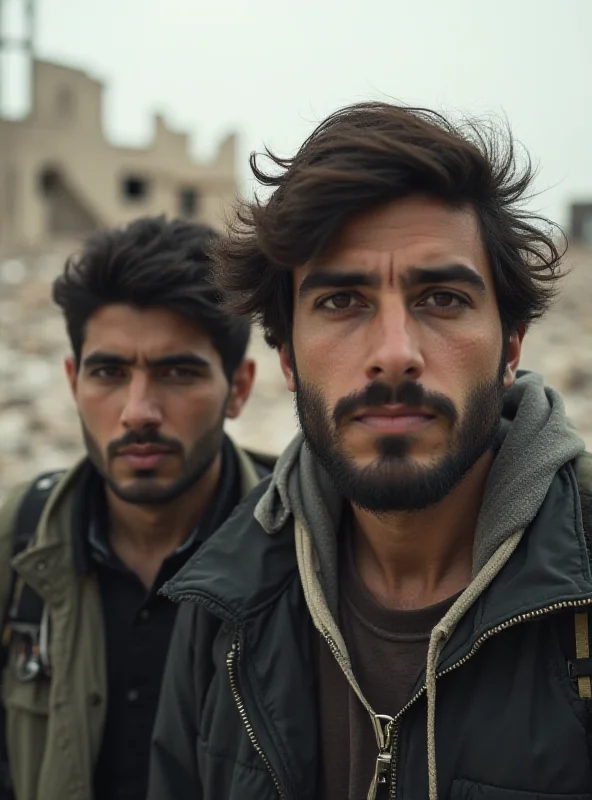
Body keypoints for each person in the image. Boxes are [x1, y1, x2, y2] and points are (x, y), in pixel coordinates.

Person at [148, 104, 592, 800]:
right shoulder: (224, 602)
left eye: (442, 298)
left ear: (511, 348)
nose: (394, 355)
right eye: (342, 301)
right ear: (288, 358)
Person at [0, 216, 274, 800]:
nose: (138, 411)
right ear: (73, 381)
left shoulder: (302, 546)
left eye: (178, 372)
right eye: (110, 372)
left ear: (240, 388)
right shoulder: (19, 540)